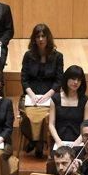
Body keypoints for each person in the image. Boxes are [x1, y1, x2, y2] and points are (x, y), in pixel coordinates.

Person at [19, 23, 64, 156]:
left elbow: (59, 80)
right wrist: (32, 95)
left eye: (43, 36)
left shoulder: (58, 57)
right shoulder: (28, 55)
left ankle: (37, 142)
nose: (40, 39)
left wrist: (48, 95)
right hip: (31, 94)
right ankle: (35, 140)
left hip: (50, 94)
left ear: (48, 38)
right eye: (37, 36)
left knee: (46, 115)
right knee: (28, 113)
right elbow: (24, 78)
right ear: (34, 39)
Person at [49, 64, 88, 148]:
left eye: (79, 80)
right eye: (73, 79)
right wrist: (59, 142)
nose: (76, 82)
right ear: (66, 79)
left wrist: (76, 143)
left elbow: (86, 126)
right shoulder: (55, 99)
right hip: (59, 142)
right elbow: (51, 124)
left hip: (78, 142)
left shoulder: (85, 100)